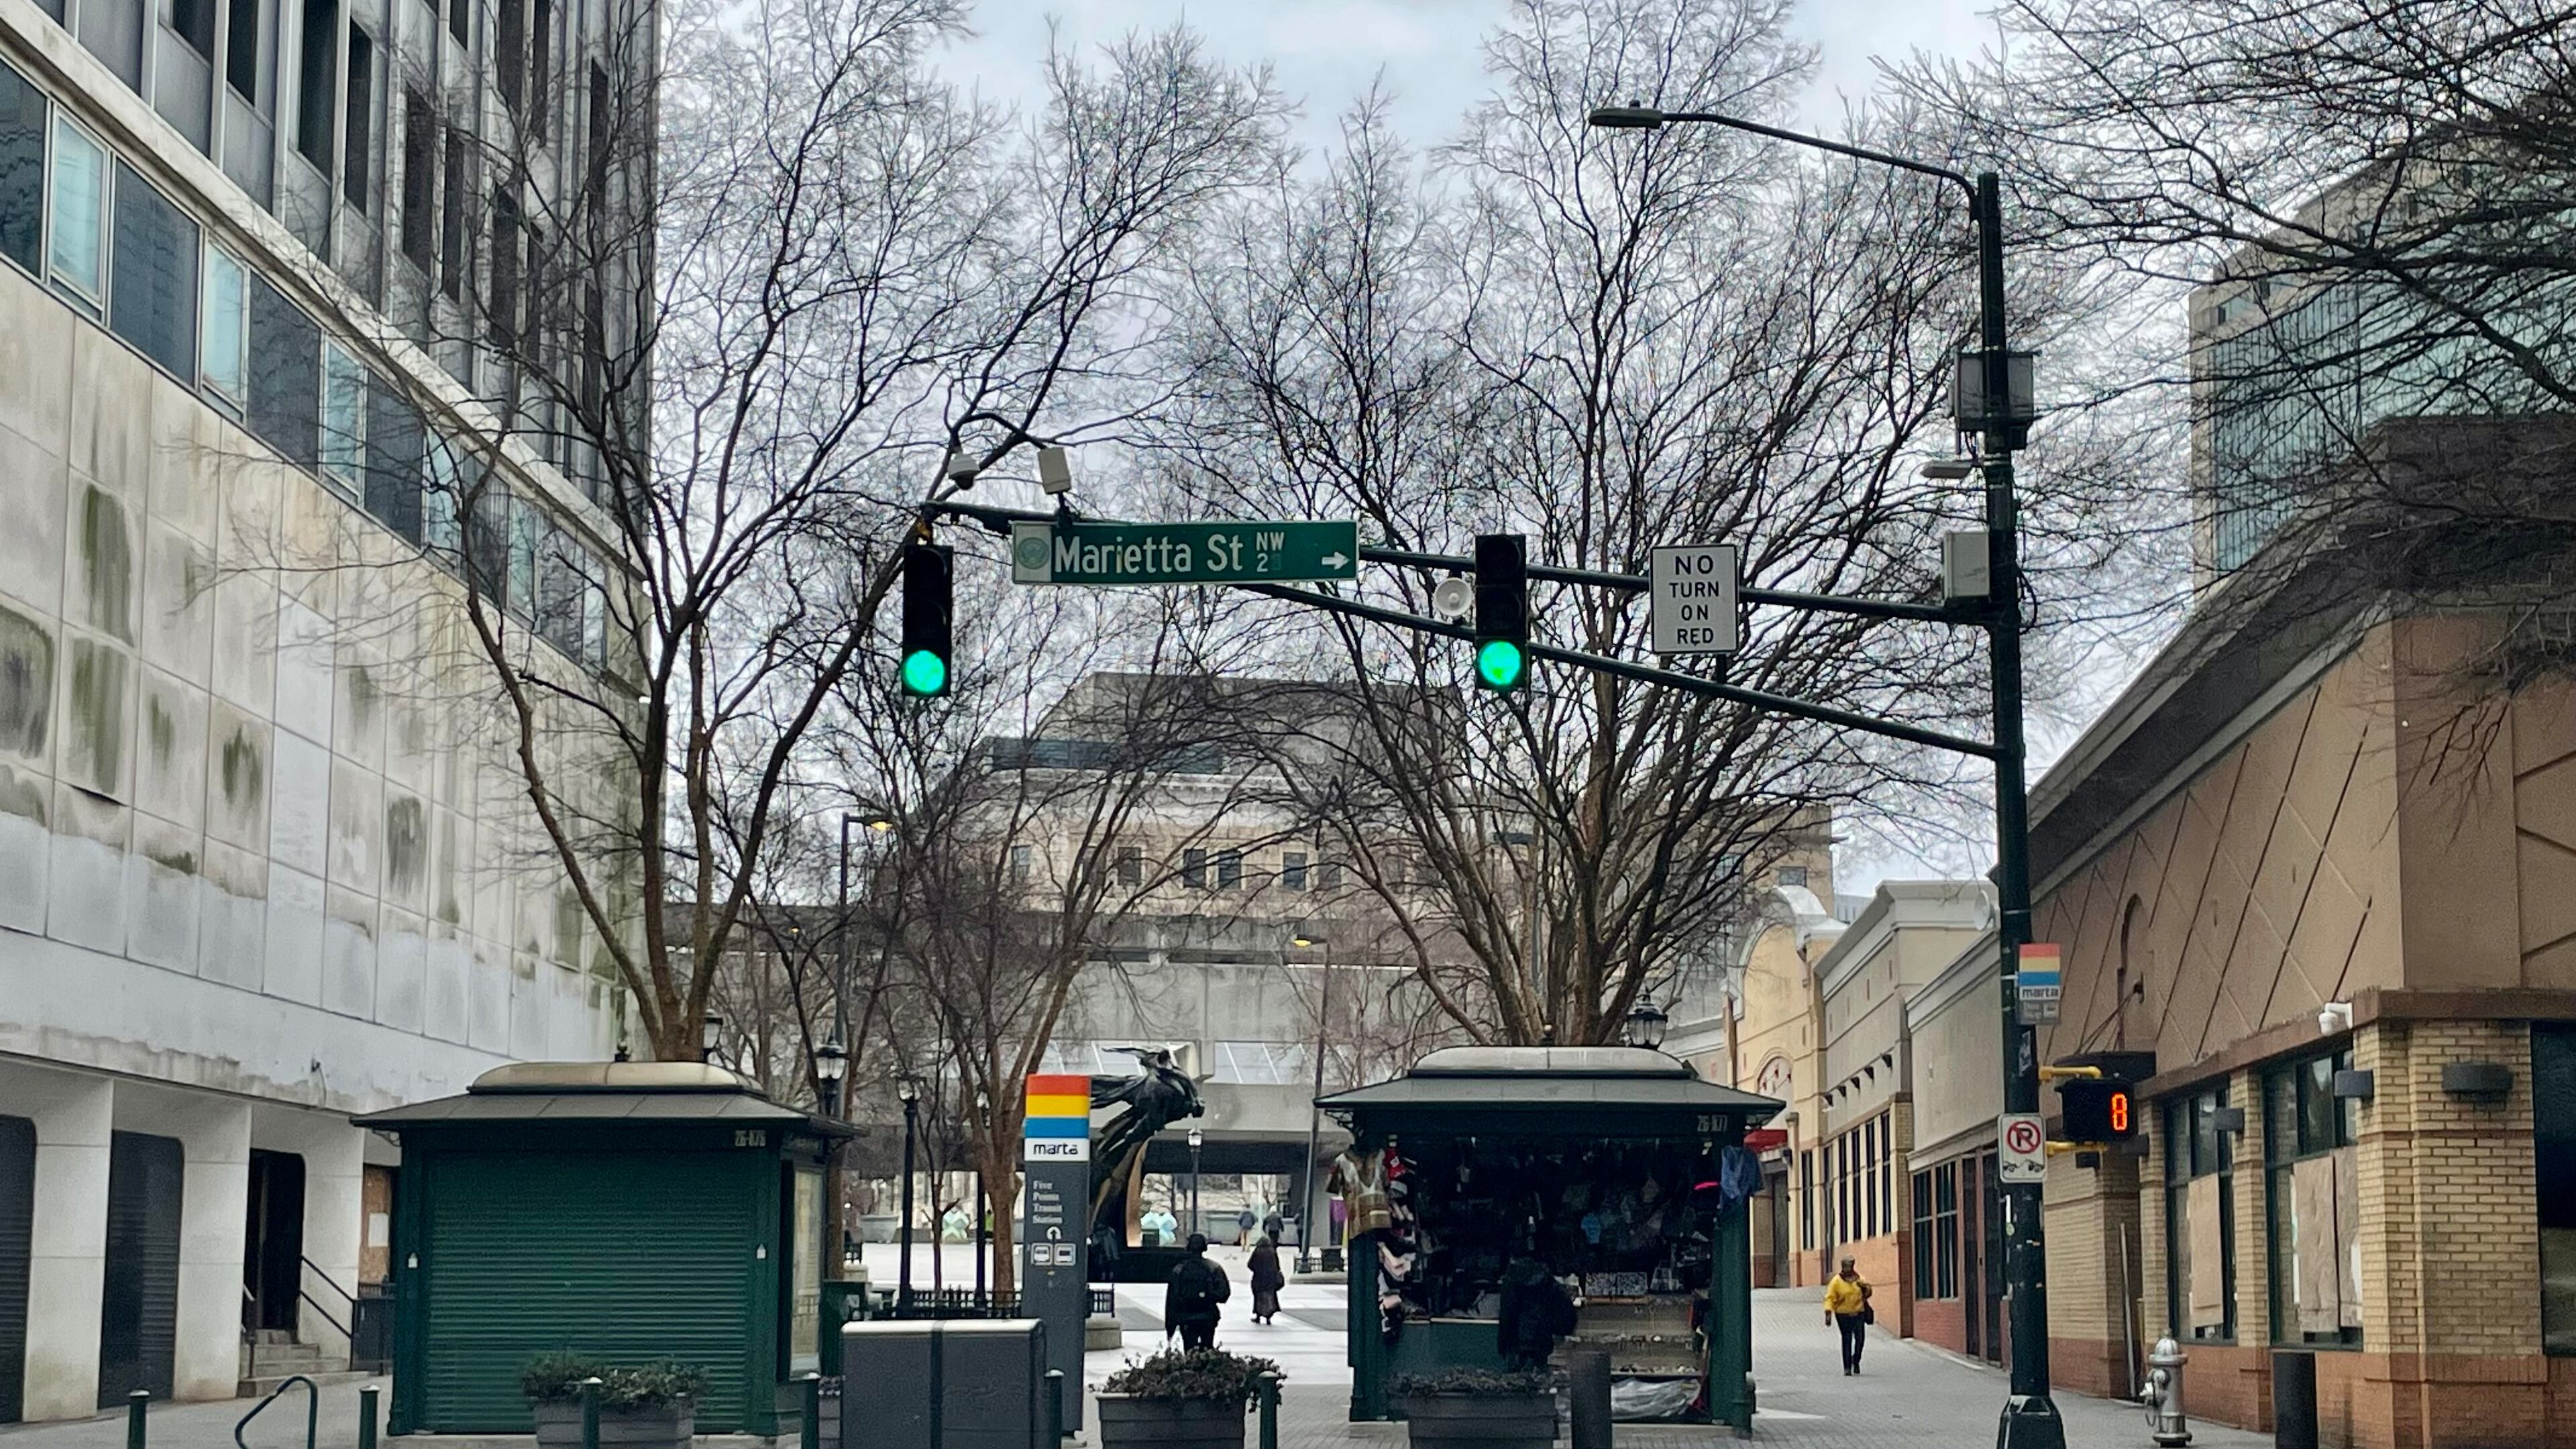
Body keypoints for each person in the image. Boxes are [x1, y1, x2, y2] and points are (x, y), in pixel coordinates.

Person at [1495, 1254, 1576, 1370]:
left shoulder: (1511, 1281)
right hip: (1543, 1338)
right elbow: (1565, 1310)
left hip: (1518, 1340)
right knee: (1539, 1375)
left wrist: (1503, 1345)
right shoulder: (1547, 1281)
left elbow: (1507, 1316)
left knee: (1516, 1379)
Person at [1165, 1232, 1231, 1350]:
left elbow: (1172, 1300)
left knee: (1189, 1349)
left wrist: (1170, 1328)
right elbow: (1224, 1294)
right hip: (1208, 1316)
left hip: (1186, 1317)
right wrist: (1209, 1297)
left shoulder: (1179, 1270)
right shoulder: (1214, 1267)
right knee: (1207, 1347)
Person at [1823, 1257, 1873, 1375]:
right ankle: (1847, 1367)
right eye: (1846, 1266)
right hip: (1843, 1314)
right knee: (1847, 1339)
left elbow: (1868, 1293)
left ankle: (1855, 1361)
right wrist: (1828, 1312)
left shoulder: (1859, 1279)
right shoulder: (1836, 1282)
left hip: (1859, 1312)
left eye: (1850, 1266)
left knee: (1860, 1339)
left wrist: (1866, 1288)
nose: (1848, 1268)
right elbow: (1830, 1297)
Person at [1246, 1234, 1285, 1325]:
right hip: (1271, 1279)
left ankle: (1258, 1316)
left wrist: (1257, 1270)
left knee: (1259, 1297)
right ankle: (1269, 1317)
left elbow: (1250, 1264)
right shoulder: (1273, 1252)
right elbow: (1277, 1266)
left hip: (1259, 1279)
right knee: (1270, 1297)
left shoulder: (1257, 1251)